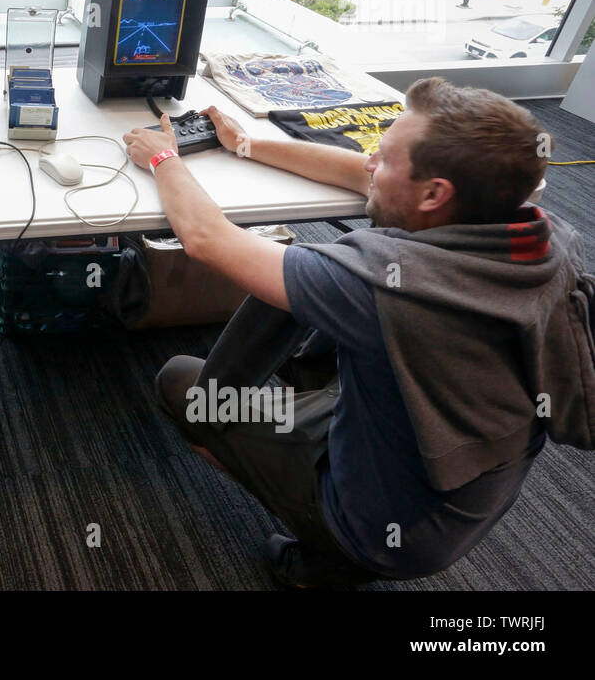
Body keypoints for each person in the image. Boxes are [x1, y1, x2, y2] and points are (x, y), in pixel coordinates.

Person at [122, 78, 595, 588]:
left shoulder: (393, 285)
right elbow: (364, 178)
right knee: (297, 273)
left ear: (435, 193)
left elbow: (208, 239)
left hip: (391, 529)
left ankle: (333, 555)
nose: (368, 162)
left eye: (385, 158)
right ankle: (292, 423)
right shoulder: (546, 236)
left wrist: (163, 158)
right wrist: (244, 143)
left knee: (183, 383)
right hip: (465, 487)